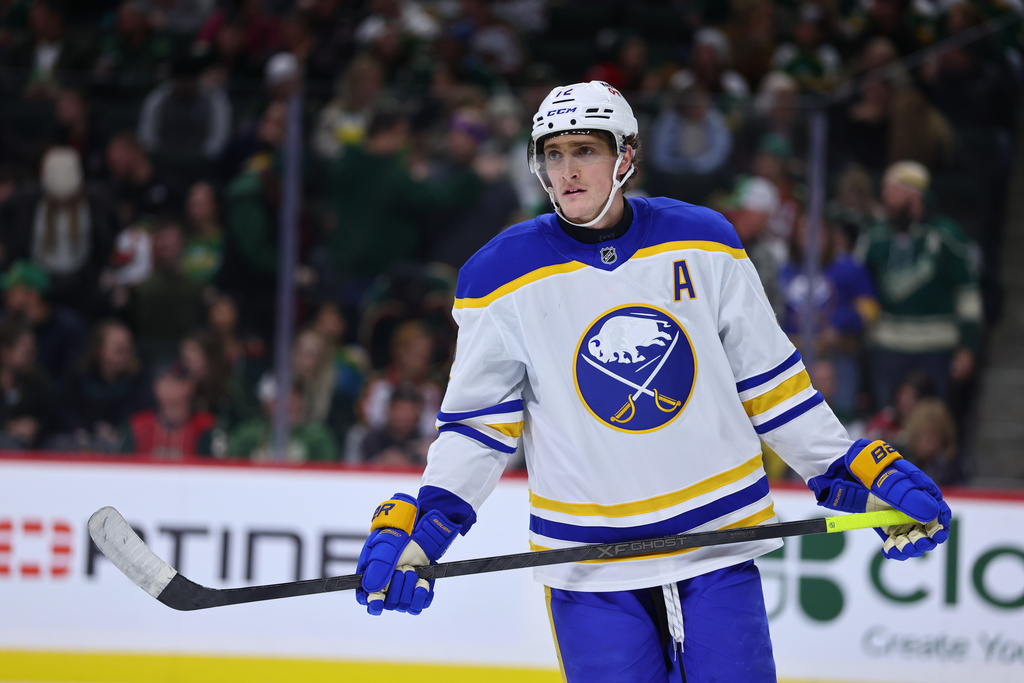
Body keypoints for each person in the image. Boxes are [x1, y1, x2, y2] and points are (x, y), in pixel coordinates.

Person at [352, 81, 952, 681]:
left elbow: (772, 384)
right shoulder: (498, 274)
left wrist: (850, 469)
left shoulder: (703, 239)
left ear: (626, 156)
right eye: (552, 155)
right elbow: (479, 426)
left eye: (584, 150)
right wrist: (425, 526)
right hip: (589, 562)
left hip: (716, 538)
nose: (567, 171)